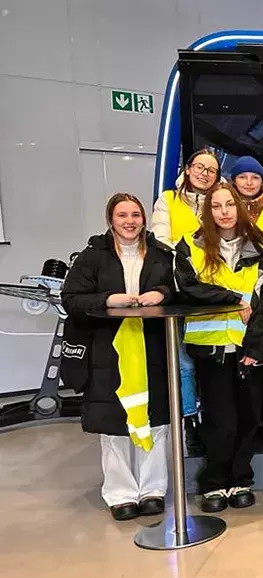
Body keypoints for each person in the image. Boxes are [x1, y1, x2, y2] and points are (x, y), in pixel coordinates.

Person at [61, 193, 174, 521]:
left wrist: (163, 294)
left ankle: (153, 490)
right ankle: (121, 492)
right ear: (110, 220)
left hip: (153, 346)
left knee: (157, 421)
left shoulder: (161, 255)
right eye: (122, 215)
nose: (129, 221)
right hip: (107, 350)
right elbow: (71, 299)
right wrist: (109, 300)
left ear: (143, 219)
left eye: (135, 215)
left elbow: (181, 288)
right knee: (114, 423)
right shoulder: (92, 256)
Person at [175, 181, 263, 513]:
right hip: (212, 348)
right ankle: (215, 482)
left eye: (229, 205)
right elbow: (190, 290)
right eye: (216, 206)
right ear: (208, 210)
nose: (224, 212)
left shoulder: (261, 246)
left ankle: (240, 478)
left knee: (249, 417)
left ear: (240, 207)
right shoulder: (191, 246)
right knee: (220, 419)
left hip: (248, 347)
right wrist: (231, 299)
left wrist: (258, 347)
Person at [149, 149, 221, 454]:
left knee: (218, 362)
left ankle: (216, 418)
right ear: (188, 169)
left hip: (217, 292)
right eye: (200, 167)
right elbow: (160, 238)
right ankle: (191, 423)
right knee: (185, 363)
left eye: (212, 170)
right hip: (182, 290)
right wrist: (189, 257)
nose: (205, 174)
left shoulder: (222, 200)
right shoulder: (168, 200)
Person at [228, 156, 263, 240]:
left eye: (255, 178)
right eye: (242, 177)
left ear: (262, 181)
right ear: (234, 181)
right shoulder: (224, 206)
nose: (249, 183)